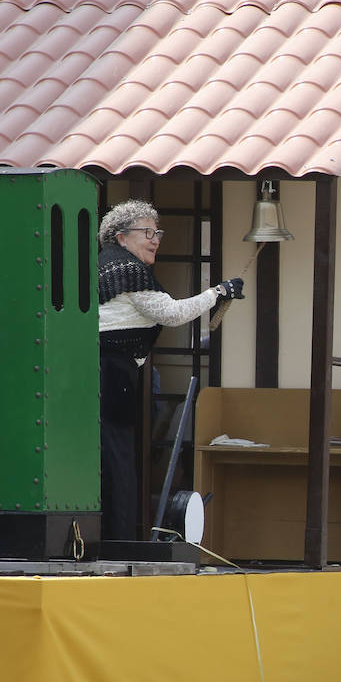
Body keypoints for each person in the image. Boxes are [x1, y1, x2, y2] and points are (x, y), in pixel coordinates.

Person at [98, 199, 242, 541]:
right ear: (121, 237)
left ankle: (108, 537)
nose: (156, 239)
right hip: (111, 370)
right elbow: (173, 313)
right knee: (118, 459)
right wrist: (218, 292)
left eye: (157, 232)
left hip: (103, 370)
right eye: (147, 232)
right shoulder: (126, 269)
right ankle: (119, 541)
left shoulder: (106, 265)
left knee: (108, 456)